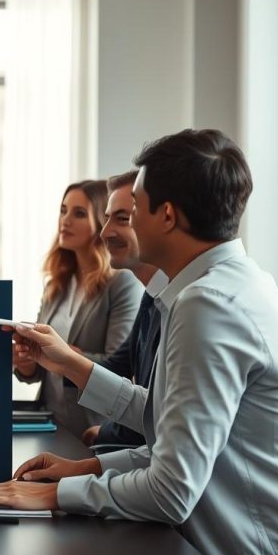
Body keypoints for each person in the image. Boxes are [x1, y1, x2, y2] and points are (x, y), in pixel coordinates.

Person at [0, 129, 278, 555]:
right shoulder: (232, 284)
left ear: (166, 215)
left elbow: (171, 491)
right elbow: (168, 425)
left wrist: (52, 495)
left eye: (134, 207)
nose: (114, 226)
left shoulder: (209, 304)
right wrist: (87, 463)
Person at [14, 179, 143, 439]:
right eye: (63, 211)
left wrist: (65, 355)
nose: (66, 220)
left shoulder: (122, 283)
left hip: (93, 426)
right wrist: (27, 362)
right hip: (51, 423)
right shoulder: (57, 283)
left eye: (79, 213)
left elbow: (120, 367)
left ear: (101, 221)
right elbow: (39, 371)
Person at [80, 170, 166, 447]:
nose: (104, 232)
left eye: (123, 219)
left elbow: (157, 415)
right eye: (107, 218)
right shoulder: (151, 296)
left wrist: (104, 434)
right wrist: (53, 357)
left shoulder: (191, 304)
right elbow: (120, 367)